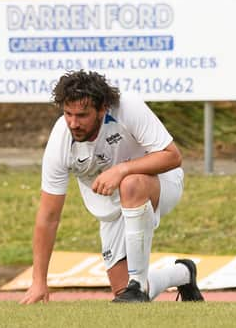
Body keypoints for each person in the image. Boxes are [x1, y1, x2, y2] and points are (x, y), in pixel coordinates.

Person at [20, 70, 204, 304]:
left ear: (103, 108)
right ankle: (184, 274)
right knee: (122, 294)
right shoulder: (60, 142)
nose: (73, 123)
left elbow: (172, 157)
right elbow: (48, 216)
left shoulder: (128, 108)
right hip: (111, 208)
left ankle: (137, 284)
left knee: (130, 184)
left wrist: (121, 169)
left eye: (82, 115)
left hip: (160, 183)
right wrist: (39, 282)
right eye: (68, 114)